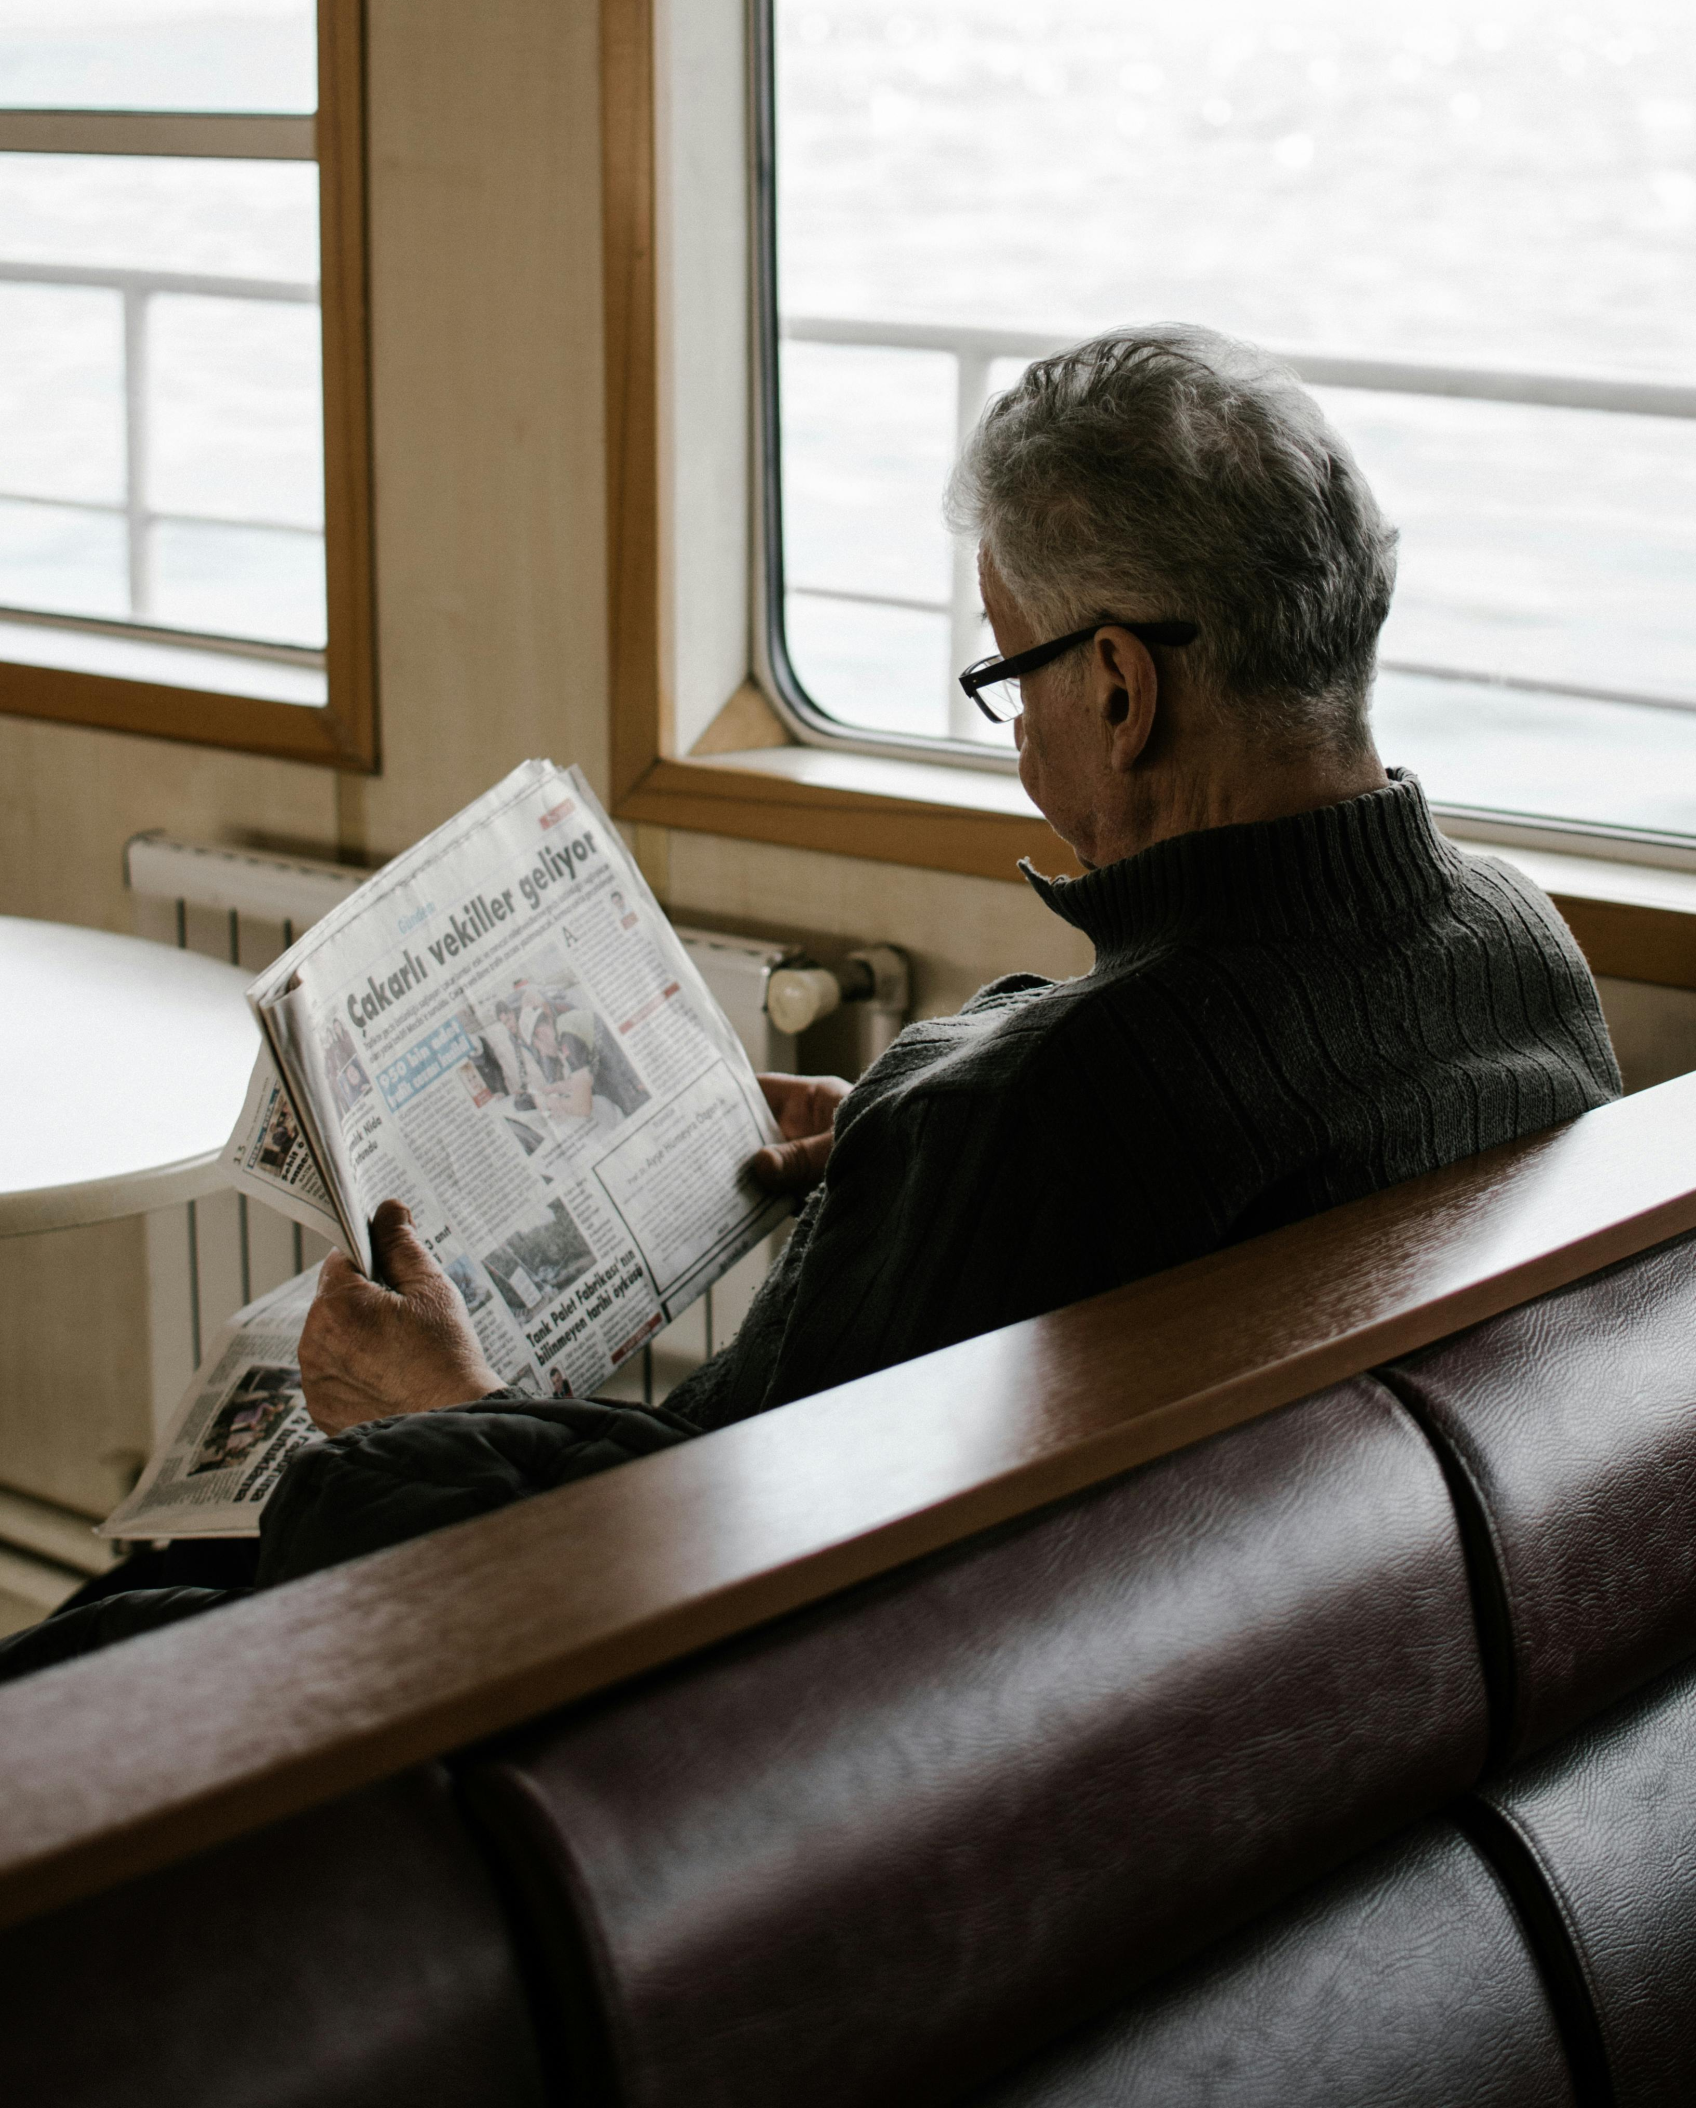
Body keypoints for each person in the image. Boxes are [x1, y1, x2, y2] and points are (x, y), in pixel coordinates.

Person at [0, 324, 1620, 1678]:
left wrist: (434, 1415)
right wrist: (900, 1149)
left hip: (728, 1659)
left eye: (1010, 680)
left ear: (1119, 689)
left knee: (106, 1641)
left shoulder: (1042, 1114)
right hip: (1269, 1629)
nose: (1021, 733)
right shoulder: (1515, 948)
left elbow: (727, 1572)